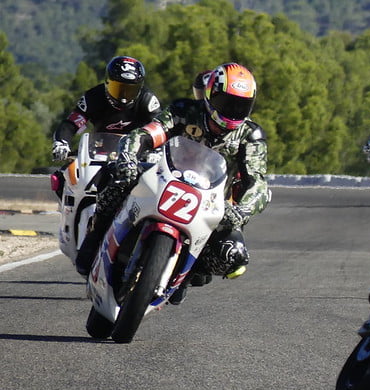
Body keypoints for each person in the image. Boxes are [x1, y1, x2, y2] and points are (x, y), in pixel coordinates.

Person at [75, 62, 271, 305]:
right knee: (117, 176)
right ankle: (93, 239)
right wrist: (129, 156)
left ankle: (188, 274)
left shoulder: (251, 135)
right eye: (226, 103)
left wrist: (241, 211)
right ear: (210, 94)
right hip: (165, 177)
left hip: (213, 203)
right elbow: (147, 133)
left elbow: (258, 183)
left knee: (233, 256)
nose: (232, 111)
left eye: (240, 106)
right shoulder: (184, 110)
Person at [50, 56, 162, 198]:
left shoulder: (148, 100)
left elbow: (160, 128)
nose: (123, 97)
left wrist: (157, 151)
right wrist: (61, 142)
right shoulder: (93, 97)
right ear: (107, 83)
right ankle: (69, 218)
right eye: (118, 88)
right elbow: (72, 123)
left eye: (130, 90)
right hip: (98, 152)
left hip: (136, 155)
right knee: (62, 177)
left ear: (140, 88)